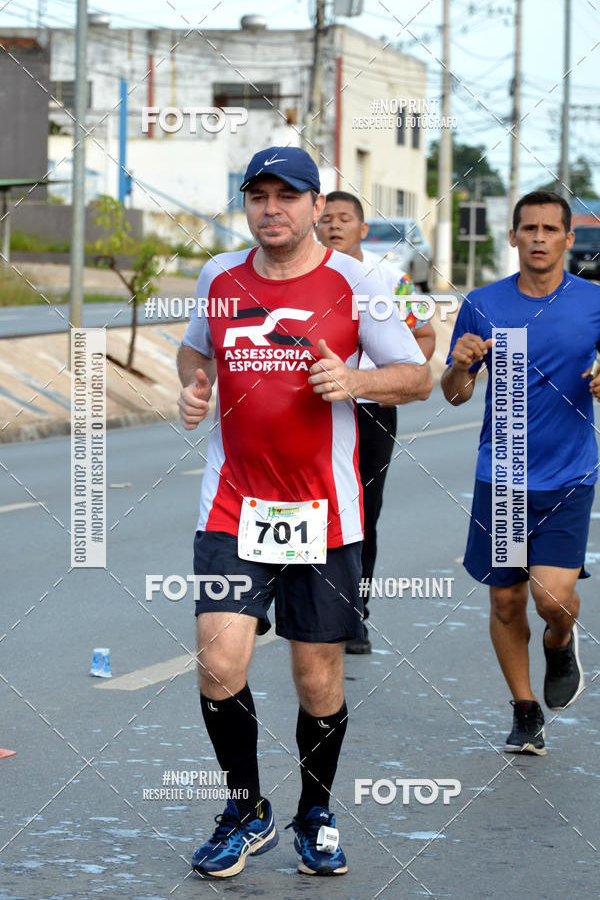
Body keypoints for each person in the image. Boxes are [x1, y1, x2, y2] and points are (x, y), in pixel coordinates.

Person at [177, 146, 432, 878]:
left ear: (316, 206)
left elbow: (417, 376)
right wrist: (194, 387)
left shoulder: (360, 280)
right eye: (258, 196)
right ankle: (244, 809)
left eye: (287, 195)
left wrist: (354, 379)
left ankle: (315, 812)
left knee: (317, 679)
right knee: (218, 662)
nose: (271, 209)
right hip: (234, 503)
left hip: (324, 512)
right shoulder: (219, 276)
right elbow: (195, 354)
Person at [441, 190, 600, 756]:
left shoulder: (593, 301)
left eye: (549, 229)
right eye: (528, 228)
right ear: (512, 237)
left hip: (569, 474)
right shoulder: (483, 304)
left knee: (551, 598)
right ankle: (524, 709)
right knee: (507, 601)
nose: (538, 238)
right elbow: (455, 395)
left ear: (568, 239)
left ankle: (560, 640)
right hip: (503, 476)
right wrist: (461, 367)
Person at [316, 191, 436, 653]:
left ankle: (355, 612)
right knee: (308, 508)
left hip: (372, 411)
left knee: (363, 512)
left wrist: (387, 377)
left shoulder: (390, 280)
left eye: (344, 218)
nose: (334, 226)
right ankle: (301, 604)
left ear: (363, 229)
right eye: (327, 219)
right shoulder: (305, 276)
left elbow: (425, 334)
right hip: (317, 409)